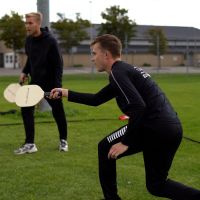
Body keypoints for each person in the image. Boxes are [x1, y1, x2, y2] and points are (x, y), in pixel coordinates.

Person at [50, 34, 200, 200]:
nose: (92, 58)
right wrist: (66, 93)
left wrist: (125, 142)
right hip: (171, 129)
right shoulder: (123, 71)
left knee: (105, 147)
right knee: (157, 185)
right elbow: (96, 99)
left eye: (94, 53)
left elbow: (138, 107)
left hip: (154, 128)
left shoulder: (118, 73)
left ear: (106, 54)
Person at [14, 12, 68, 155]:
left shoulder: (50, 41)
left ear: (38, 23)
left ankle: (63, 140)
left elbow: (58, 64)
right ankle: (30, 144)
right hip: (35, 82)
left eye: (30, 23)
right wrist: (24, 72)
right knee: (25, 108)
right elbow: (30, 60)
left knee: (58, 111)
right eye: (26, 23)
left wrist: (58, 86)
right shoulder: (29, 41)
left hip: (51, 83)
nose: (27, 26)